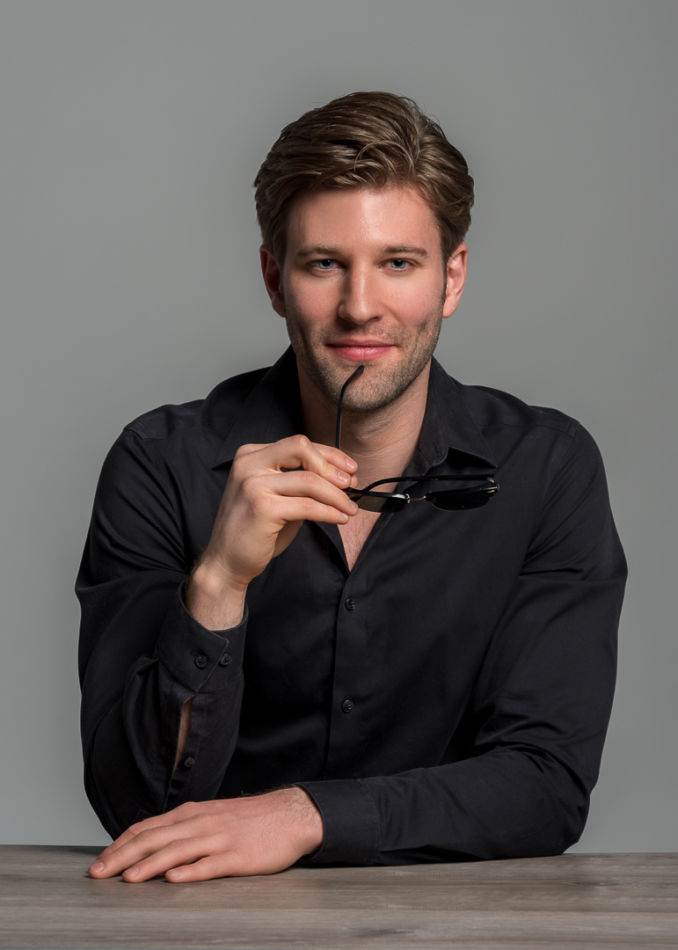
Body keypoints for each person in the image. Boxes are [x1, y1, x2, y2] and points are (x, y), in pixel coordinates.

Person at [77, 91, 626, 883]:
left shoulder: (547, 468)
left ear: (452, 277)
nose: (359, 308)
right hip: (204, 923)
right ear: (275, 279)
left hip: (454, 926)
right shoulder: (159, 463)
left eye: (398, 263)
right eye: (324, 264)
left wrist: (306, 815)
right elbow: (134, 807)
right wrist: (219, 583)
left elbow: (545, 786)